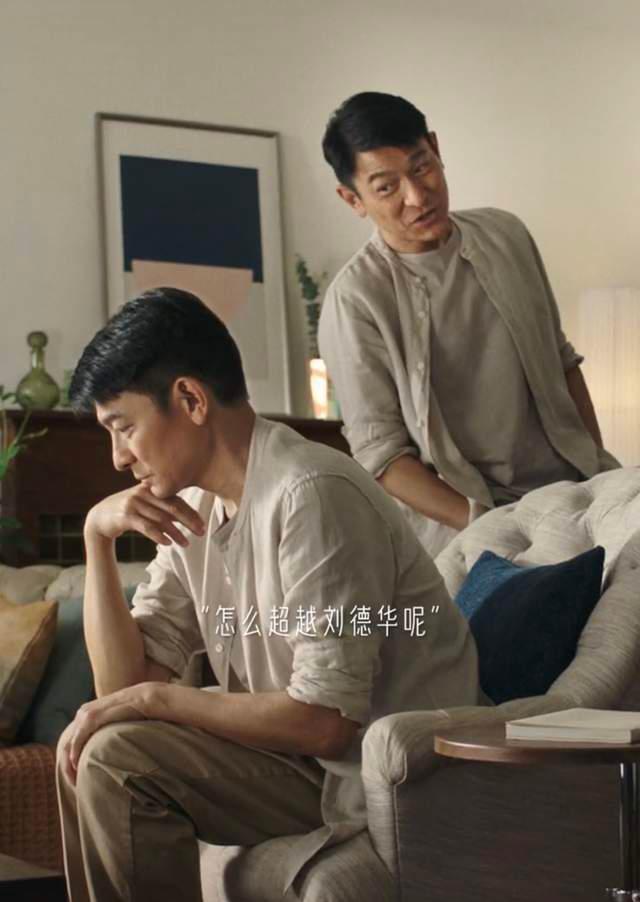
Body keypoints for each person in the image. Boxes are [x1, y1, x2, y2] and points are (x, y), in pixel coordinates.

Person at [56, 287, 479, 902]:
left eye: (124, 428)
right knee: (90, 748)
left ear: (191, 399)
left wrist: (159, 699)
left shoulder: (311, 493)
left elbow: (325, 723)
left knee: (113, 760)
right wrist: (97, 537)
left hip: (374, 772)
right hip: (295, 759)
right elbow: (121, 688)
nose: (119, 458)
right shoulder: (196, 507)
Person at [319, 91, 619, 557]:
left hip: (578, 492)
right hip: (470, 527)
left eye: (421, 167)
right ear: (352, 199)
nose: (417, 197)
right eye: (387, 187)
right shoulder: (356, 300)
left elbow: (562, 362)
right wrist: (490, 524)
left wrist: (597, 478)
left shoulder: (506, 235)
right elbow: (383, 457)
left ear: (436, 149)